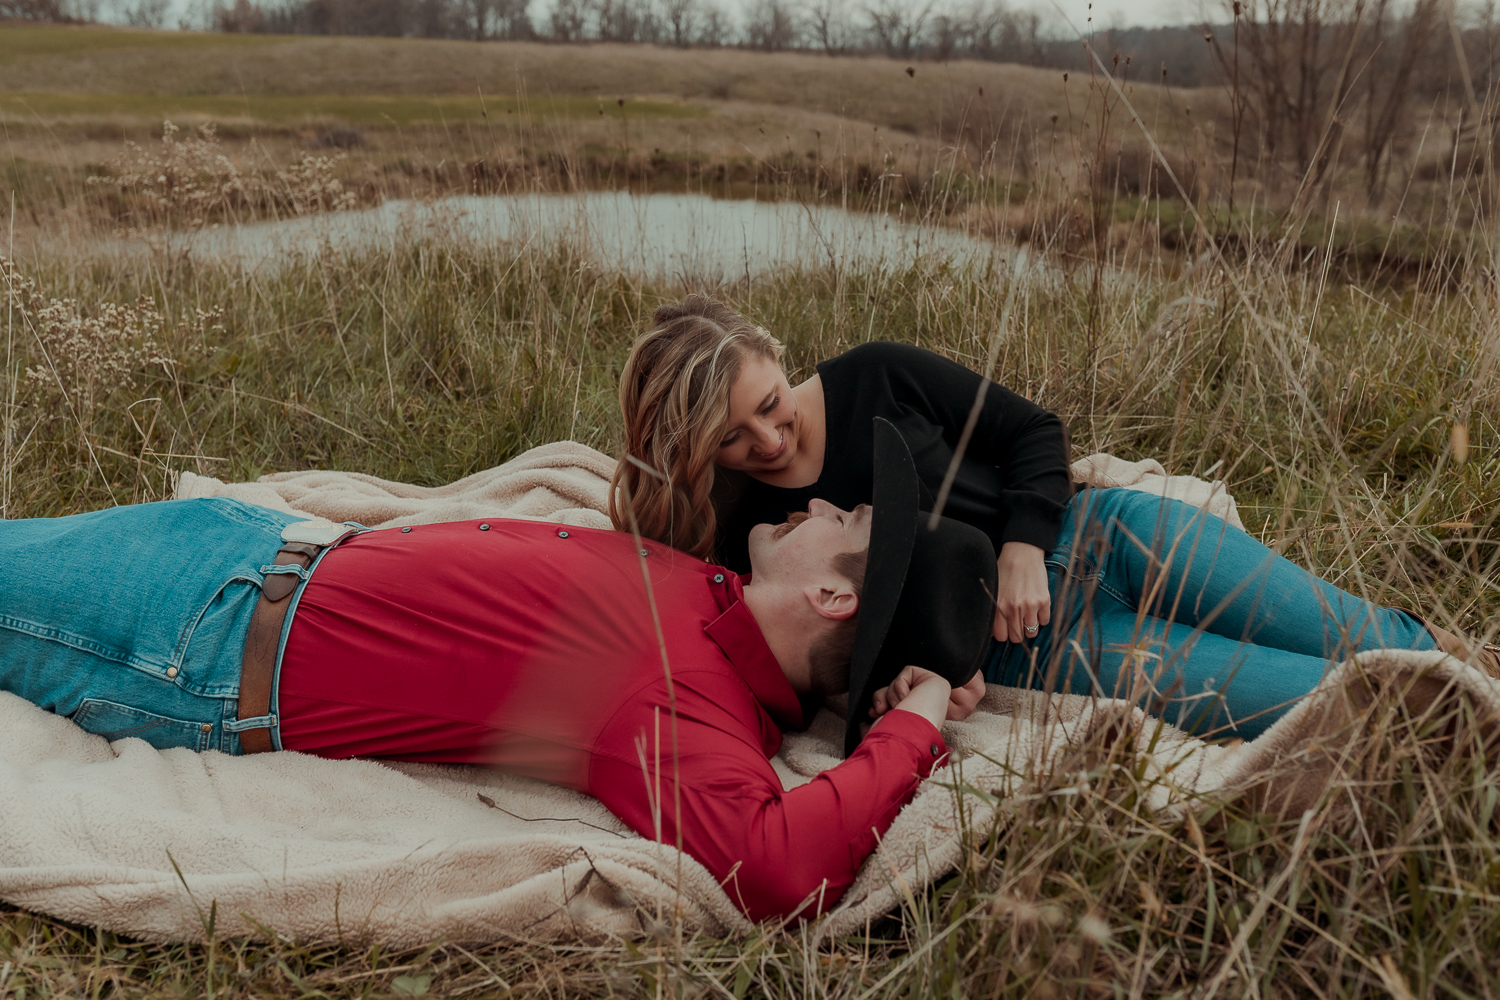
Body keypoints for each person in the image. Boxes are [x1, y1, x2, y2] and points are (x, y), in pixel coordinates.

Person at [0, 421, 994, 922]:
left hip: (192, 634)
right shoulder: (720, 586)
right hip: (248, 550)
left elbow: (779, 865)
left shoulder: (686, 708)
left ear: (834, 597)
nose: (821, 505)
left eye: (846, 522)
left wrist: (916, 720)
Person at [610, 295, 1500, 740]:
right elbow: (815, 647)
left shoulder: (874, 374)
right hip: (1045, 646)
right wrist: (890, 686)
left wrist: (1026, 543)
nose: (767, 439)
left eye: (769, 401)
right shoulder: (744, 528)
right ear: (701, 451)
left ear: (774, 353)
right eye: (732, 438)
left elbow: (1031, 431)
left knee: (1362, 631)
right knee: (1330, 706)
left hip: (1103, 534)